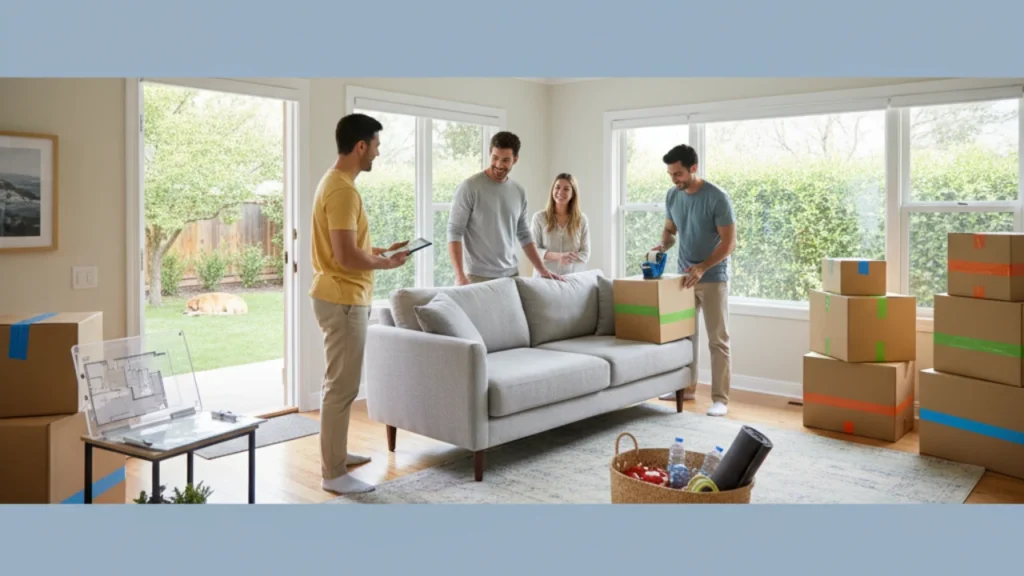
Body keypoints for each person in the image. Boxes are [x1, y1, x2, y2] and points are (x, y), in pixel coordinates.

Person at [309, 113, 410, 494]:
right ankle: (333, 474)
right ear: (361, 146)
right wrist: (384, 263)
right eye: (377, 146)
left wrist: (381, 250)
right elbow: (346, 257)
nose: (378, 154)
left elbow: (347, 248)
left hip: (337, 294)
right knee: (341, 388)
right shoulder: (343, 191)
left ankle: (337, 454)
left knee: (339, 385)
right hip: (344, 298)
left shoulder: (333, 183)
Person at [653, 144, 736, 417]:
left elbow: (729, 243)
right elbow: (670, 230)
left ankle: (720, 399)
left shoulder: (717, 197)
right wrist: (661, 246)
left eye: (677, 173)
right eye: (670, 174)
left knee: (717, 340)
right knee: (686, 337)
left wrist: (702, 267)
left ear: (693, 168)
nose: (674, 179)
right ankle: (686, 389)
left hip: (713, 278)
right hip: (683, 277)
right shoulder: (672, 196)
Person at [447, 131, 564, 284]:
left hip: (511, 275)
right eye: (495, 158)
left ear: (515, 159)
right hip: (476, 276)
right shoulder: (470, 187)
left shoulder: (518, 191)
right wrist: (460, 275)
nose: (499, 165)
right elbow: (454, 231)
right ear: (490, 153)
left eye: (506, 160)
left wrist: (542, 270)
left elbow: (523, 234)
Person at [529, 173, 590, 276]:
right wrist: (559, 256)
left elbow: (585, 253)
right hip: (544, 279)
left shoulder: (581, 219)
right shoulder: (539, 218)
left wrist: (569, 257)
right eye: (557, 187)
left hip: (571, 279)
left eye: (566, 189)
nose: (560, 192)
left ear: (573, 194)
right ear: (552, 190)